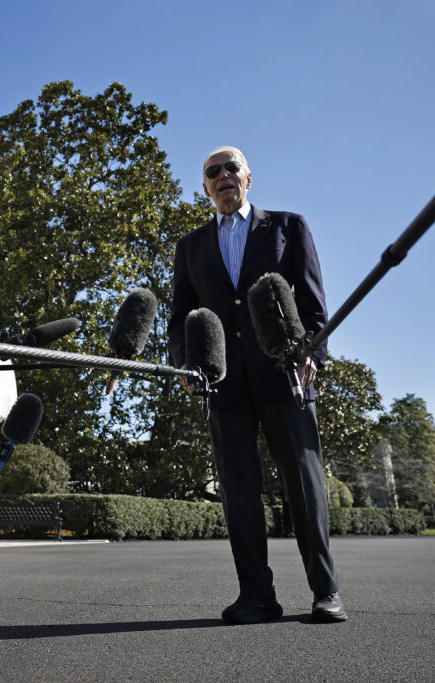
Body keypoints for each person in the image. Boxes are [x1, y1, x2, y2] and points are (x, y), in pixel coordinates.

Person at [167, 146, 346, 625]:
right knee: (239, 493)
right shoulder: (190, 247)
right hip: (223, 386)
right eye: (213, 172)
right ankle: (257, 596)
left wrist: (315, 355)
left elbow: (312, 305)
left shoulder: (289, 226)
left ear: (248, 178)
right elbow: (179, 318)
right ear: (205, 187)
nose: (223, 176)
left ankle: (326, 592)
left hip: (286, 377)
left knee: (305, 489)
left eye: (232, 169)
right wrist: (185, 364)